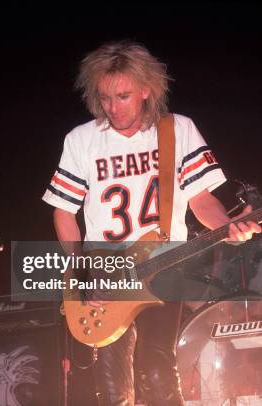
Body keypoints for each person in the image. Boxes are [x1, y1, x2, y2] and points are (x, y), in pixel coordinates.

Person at [42, 41, 260, 406]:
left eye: (123, 96)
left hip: (166, 261)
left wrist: (228, 227)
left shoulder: (177, 130)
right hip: (105, 267)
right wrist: (81, 271)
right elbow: (63, 210)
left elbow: (201, 200)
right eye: (105, 98)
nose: (112, 107)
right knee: (113, 389)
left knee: (156, 369)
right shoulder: (81, 140)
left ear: (146, 89)